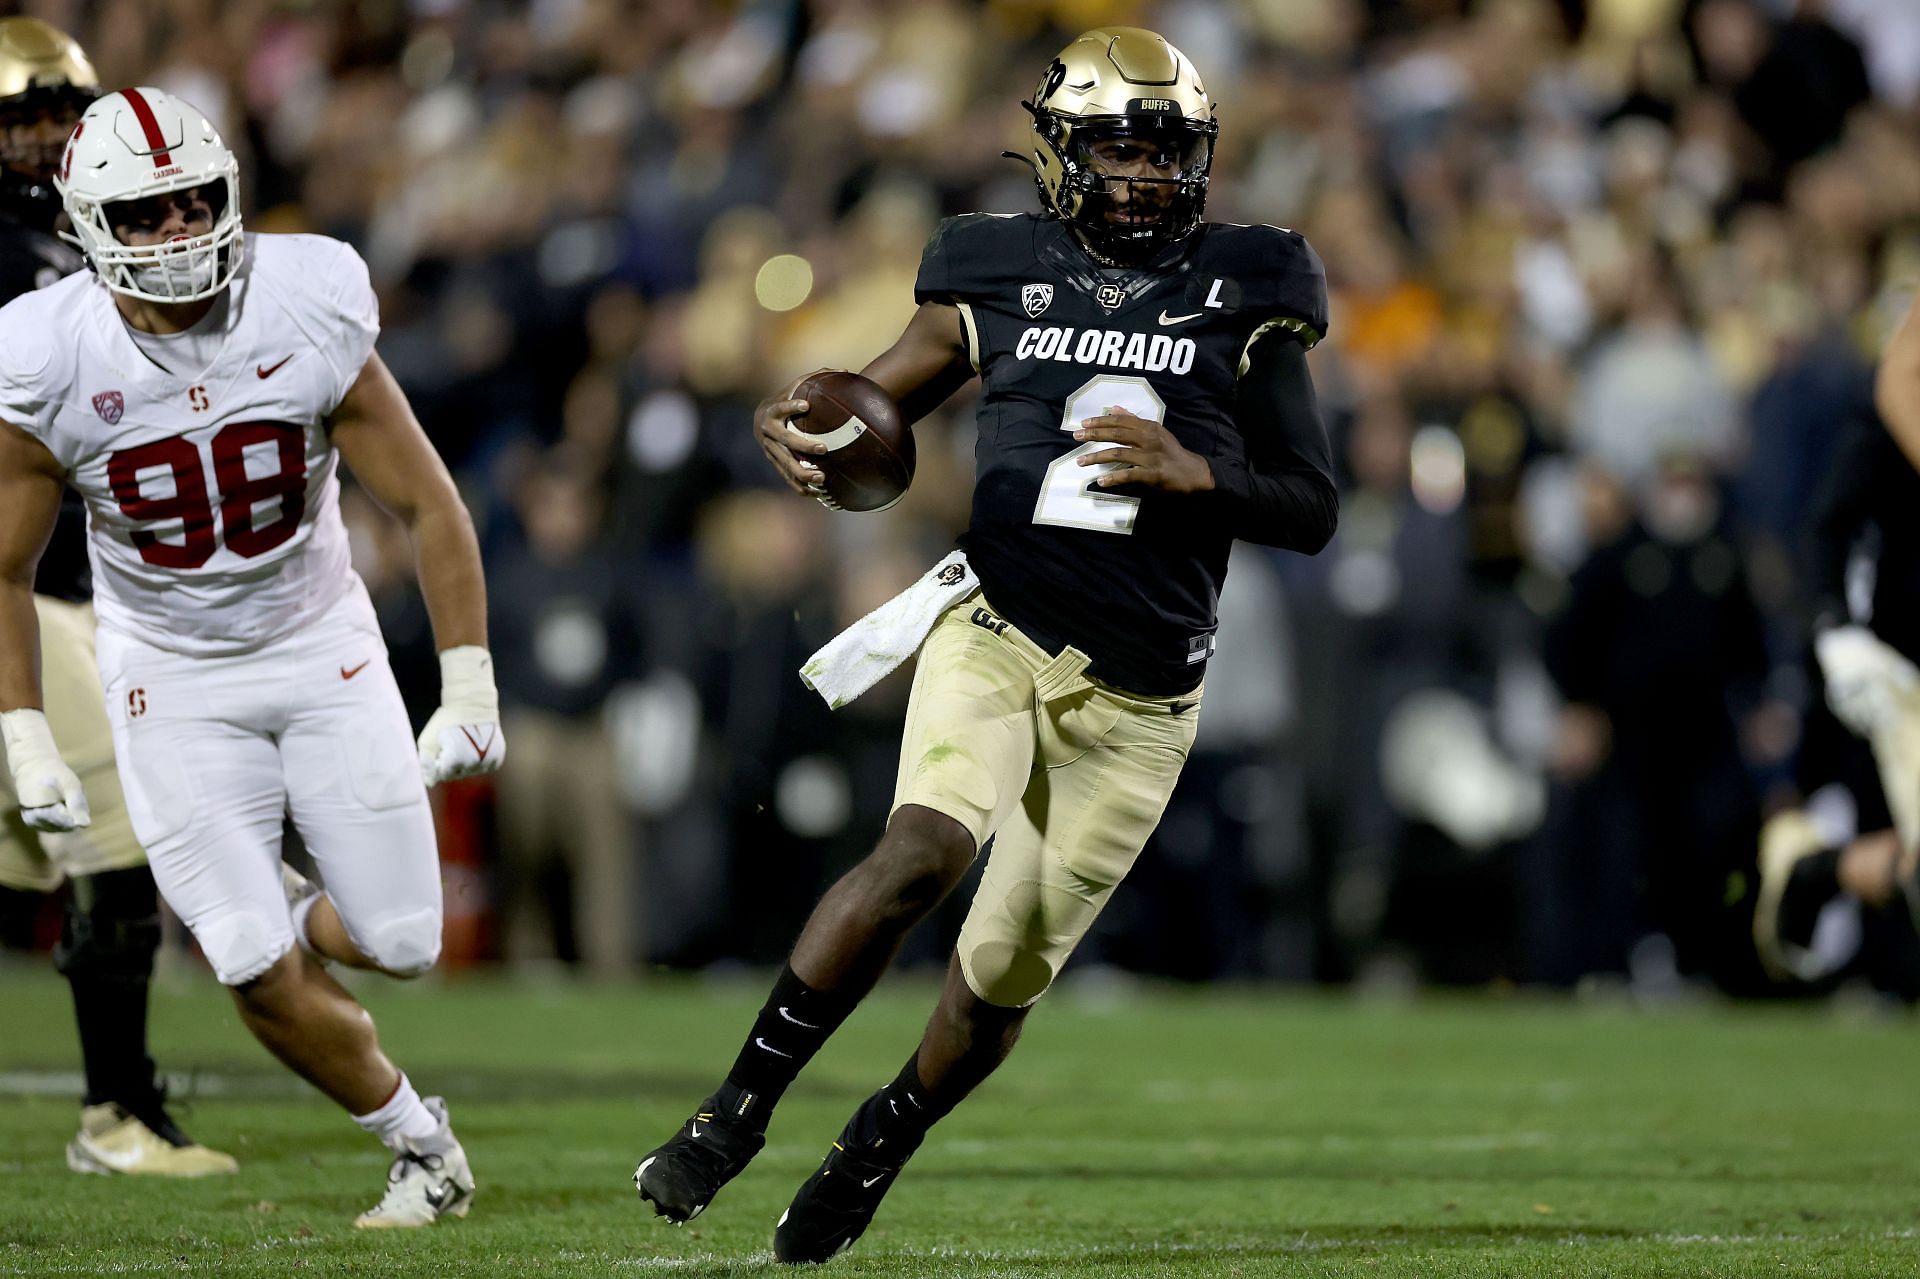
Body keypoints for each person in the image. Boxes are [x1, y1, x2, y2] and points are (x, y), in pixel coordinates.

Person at [633, 28, 1336, 1262]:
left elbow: (1313, 505)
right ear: (1061, 151)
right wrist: (806, 422)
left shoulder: (1252, 281)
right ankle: (731, 1111)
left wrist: (1201, 476)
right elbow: (871, 394)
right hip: (999, 626)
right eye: (1120, 147)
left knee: (998, 976)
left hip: (1145, 699)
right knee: (919, 853)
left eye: (1167, 151)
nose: (1146, 176)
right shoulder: (994, 264)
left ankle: (881, 1136)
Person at [0, 86, 506, 1226]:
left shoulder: (305, 296)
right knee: (243, 954)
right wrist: (24, 733)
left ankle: (281, 893)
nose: (179, 232)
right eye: (145, 215)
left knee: (405, 942)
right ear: (85, 227)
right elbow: (4, 570)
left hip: (319, 642)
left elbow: (428, 502)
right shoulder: (44, 350)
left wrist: (468, 678)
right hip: (169, 674)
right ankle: (421, 1144)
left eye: (193, 203)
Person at [0, 17, 235, 1178]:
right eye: (18, 118)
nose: (44, 136)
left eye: (58, 113)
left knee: (96, 844)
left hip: (90, 590)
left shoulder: (96, 232)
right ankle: (118, 1111)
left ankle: (121, 1103)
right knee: (117, 839)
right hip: (17, 595)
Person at [1754, 290, 1920, 978]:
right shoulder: (1887, 417)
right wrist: (1835, 633)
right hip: (1908, 659)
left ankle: (1816, 868)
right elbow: (1824, 528)